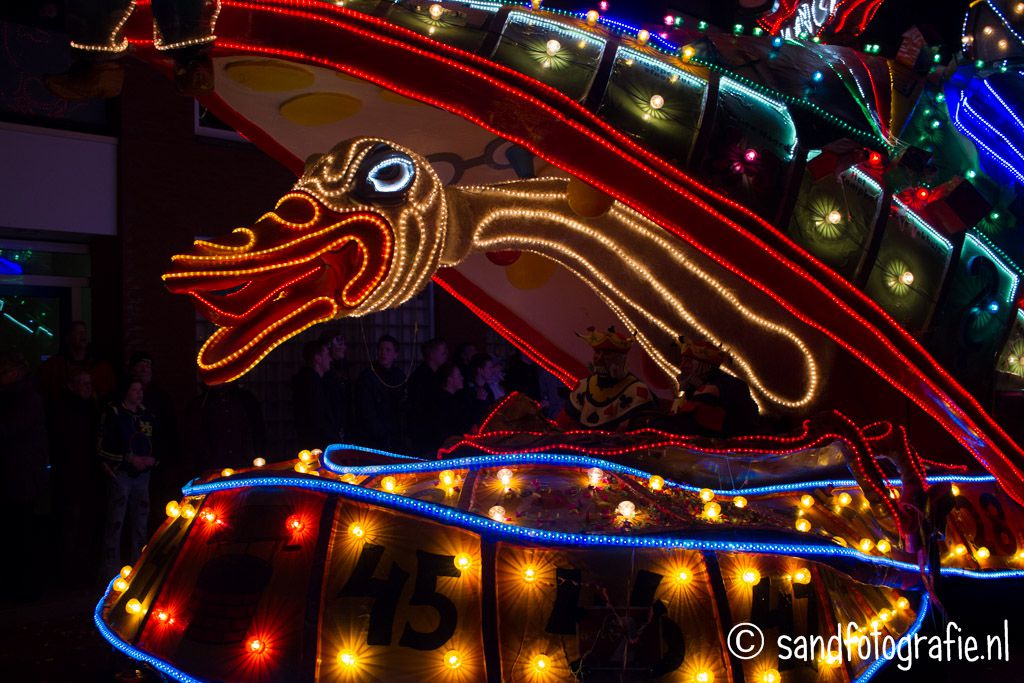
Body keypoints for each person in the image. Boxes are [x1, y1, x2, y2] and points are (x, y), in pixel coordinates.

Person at [0, 350, 49, 602]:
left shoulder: (25, 400)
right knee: (17, 533)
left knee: (20, 534)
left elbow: (9, 431)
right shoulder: (24, 398)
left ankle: (23, 589)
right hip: (19, 476)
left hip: (20, 477)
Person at [98, 378, 158, 580]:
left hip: (143, 476)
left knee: (140, 520)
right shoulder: (114, 414)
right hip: (121, 474)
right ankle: (111, 570)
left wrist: (152, 459)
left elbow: (155, 441)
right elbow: (103, 445)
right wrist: (127, 459)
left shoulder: (147, 415)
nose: (139, 393)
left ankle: (138, 565)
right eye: (134, 389)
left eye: (141, 389)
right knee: (115, 521)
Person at [49, 368, 101, 586]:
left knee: (83, 524)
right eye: (83, 383)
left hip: (86, 475)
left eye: (90, 383)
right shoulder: (65, 409)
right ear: (71, 385)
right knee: (72, 523)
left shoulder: (90, 408)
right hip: (72, 475)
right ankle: (68, 572)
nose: (88, 388)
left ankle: (79, 569)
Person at [557, 327, 656, 430]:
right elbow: (565, 424)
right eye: (597, 352)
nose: (599, 359)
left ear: (620, 359)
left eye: (607, 354)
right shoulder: (583, 386)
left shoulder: (637, 392)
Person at [665, 334, 759, 437]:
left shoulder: (718, 386)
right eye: (682, 361)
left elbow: (689, 422)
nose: (682, 366)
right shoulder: (694, 389)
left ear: (705, 365)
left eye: (688, 361)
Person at [38, 320, 115, 406]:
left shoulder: (100, 366)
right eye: (78, 332)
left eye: (84, 332)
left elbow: (108, 395)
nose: (83, 335)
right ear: (68, 338)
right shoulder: (54, 366)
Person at [353, 335, 406, 451]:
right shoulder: (367, 376)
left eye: (388, 350)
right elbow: (365, 408)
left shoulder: (399, 375)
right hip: (372, 434)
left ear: (395, 355)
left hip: (394, 432)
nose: (383, 353)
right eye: (381, 349)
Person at [292, 339, 342, 451]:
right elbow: (317, 417)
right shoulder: (311, 384)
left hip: (315, 443)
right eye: (326, 354)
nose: (330, 358)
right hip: (318, 445)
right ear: (317, 358)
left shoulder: (313, 381)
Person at [407, 337, 448, 454]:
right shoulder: (421, 377)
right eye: (443, 352)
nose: (446, 355)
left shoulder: (437, 374)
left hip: (433, 430)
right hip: (425, 432)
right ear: (431, 354)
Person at [428, 362, 475, 452]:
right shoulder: (445, 403)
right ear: (449, 379)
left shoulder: (452, 399)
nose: (462, 378)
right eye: (458, 375)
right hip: (449, 449)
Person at [319, 328, 352, 440]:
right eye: (339, 343)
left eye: (344, 344)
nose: (343, 347)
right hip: (330, 431)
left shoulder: (344, 369)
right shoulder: (325, 374)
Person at [461, 352, 501, 426]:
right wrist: (479, 402)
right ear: (479, 370)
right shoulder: (468, 391)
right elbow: (470, 418)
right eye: (489, 368)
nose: (492, 370)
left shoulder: (487, 388)